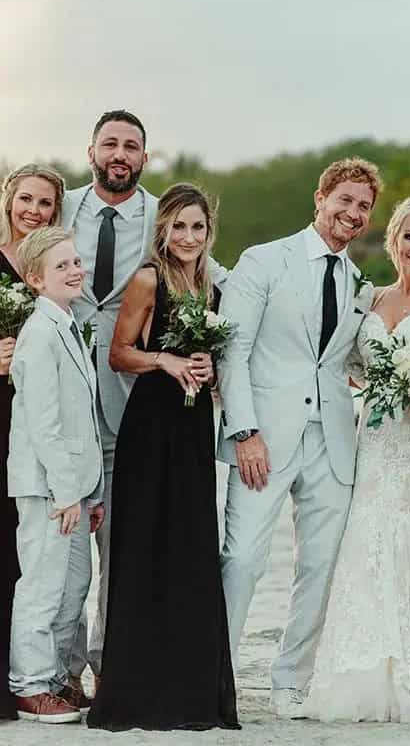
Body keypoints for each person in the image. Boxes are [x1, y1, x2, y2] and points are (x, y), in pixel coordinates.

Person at [218, 157, 382, 718]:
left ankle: (291, 679)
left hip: (334, 439)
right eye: (346, 200)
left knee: (322, 564)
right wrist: (244, 431)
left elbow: (346, 361)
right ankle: (217, 672)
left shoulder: (360, 282)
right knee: (242, 557)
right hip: (264, 436)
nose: (353, 213)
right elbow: (232, 351)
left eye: (364, 207)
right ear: (321, 198)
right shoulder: (264, 260)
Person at [304, 198, 410, 722]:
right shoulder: (368, 298)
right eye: (409, 236)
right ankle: (366, 674)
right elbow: (346, 363)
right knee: (369, 539)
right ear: (393, 241)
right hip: (377, 442)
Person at [87, 184, 239, 732]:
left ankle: (187, 685)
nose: (189, 237)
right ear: (164, 230)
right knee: (146, 546)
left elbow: (219, 359)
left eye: (197, 227)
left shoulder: (212, 287)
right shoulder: (148, 278)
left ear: (208, 231)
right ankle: (135, 687)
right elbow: (119, 353)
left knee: (189, 546)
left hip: (194, 428)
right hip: (151, 427)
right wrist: (167, 363)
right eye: (179, 226)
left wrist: (206, 370)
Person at [61, 110, 157, 696]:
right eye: (111, 143)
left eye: (131, 146)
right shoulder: (58, 208)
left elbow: (210, 274)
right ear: (92, 150)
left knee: (119, 550)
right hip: (63, 410)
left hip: (130, 409)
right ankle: (60, 671)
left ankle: (110, 663)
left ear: (144, 157)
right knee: (65, 559)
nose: (120, 153)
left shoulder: (160, 219)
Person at [8, 227, 104, 724]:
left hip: (74, 489)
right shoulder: (39, 334)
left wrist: (92, 493)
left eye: (75, 262)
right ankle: (28, 685)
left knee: (74, 587)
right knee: (43, 586)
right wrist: (67, 493)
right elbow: (44, 426)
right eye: (61, 266)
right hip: (47, 488)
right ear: (35, 280)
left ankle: (56, 678)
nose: (74, 271)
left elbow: (82, 419)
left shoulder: (67, 323)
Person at [0, 164, 65, 721]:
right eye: (26, 199)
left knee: (24, 557)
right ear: (8, 199)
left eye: (45, 204)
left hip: (30, 427)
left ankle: (24, 672)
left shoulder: (48, 272)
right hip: (6, 416)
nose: (34, 211)